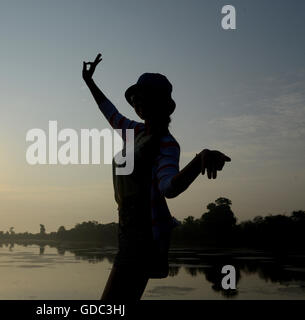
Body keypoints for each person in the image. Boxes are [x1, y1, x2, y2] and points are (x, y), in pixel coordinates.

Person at [82, 53, 231, 301]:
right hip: (127, 230)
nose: (137, 102)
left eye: (144, 97)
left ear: (159, 103)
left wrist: (199, 160)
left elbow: (169, 188)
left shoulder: (166, 144)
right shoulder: (136, 131)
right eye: (136, 98)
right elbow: (109, 111)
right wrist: (89, 82)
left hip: (143, 234)